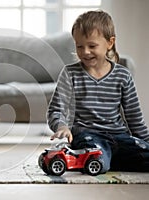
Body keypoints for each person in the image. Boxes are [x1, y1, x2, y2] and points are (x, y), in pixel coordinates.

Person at [47, 10, 149, 173]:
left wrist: (146, 142)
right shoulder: (70, 73)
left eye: (92, 46)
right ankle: (108, 159)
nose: (85, 51)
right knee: (97, 159)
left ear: (110, 43)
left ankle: (115, 158)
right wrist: (62, 126)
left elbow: (135, 119)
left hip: (119, 137)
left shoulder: (123, 75)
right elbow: (56, 110)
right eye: (79, 46)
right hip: (87, 136)